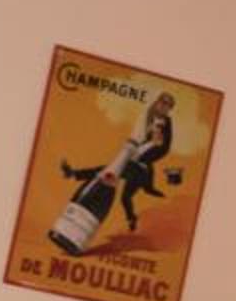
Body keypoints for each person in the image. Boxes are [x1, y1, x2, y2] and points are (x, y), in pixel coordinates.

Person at [60, 92, 175, 232]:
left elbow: (163, 148)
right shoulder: (149, 117)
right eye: (162, 103)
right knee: (124, 197)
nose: (163, 107)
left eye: (167, 106)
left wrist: (145, 155)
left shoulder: (165, 124)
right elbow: (142, 140)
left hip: (141, 169)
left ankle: (73, 174)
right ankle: (132, 218)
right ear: (157, 103)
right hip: (136, 165)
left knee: (109, 173)